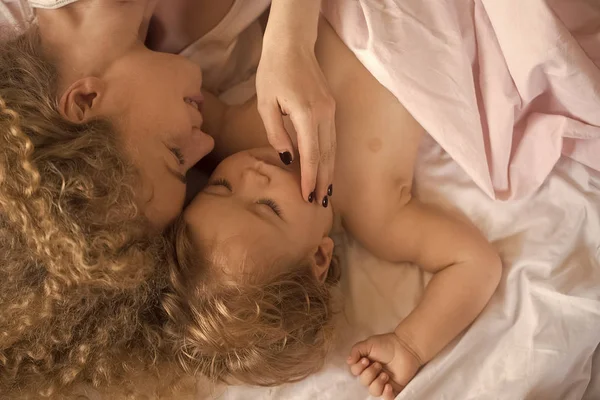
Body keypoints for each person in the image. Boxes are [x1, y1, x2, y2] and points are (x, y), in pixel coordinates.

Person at [0, 0, 335, 397]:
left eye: (175, 157)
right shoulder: (185, 44)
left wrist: (289, 38)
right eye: (205, 182)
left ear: (85, 101)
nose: (208, 144)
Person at [163, 17, 503, 400]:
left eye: (220, 187)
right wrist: (410, 344)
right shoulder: (376, 213)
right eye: (269, 207)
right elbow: (475, 263)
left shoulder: (240, 136)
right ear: (319, 258)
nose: (251, 175)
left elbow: (172, 91)